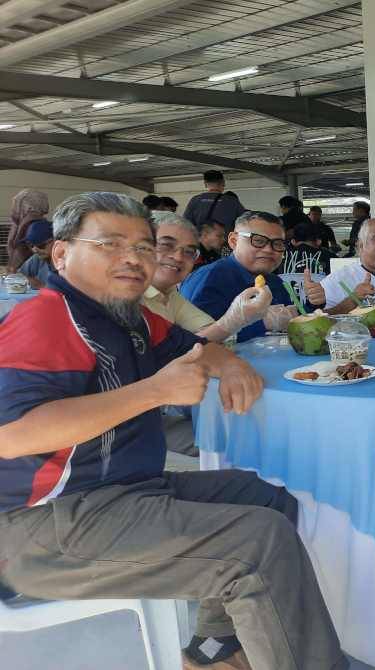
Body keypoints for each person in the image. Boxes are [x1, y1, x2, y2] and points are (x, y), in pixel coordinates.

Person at [0, 191, 347, 670]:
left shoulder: (131, 316)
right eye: (109, 244)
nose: (133, 258)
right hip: (43, 526)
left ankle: (212, 652)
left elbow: (199, 348)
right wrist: (154, 392)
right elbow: (12, 434)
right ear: (62, 253)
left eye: (144, 247)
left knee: (264, 497)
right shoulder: (44, 319)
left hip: (124, 491)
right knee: (258, 541)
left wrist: (233, 367)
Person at [145, 213, 274, 344]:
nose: (178, 257)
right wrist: (238, 319)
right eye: (166, 245)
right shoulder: (130, 298)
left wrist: (237, 320)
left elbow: (204, 334)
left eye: (189, 251)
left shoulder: (170, 295)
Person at [181, 211, 300, 342]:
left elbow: (295, 320)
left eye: (277, 244)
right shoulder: (209, 279)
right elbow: (193, 339)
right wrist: (262, 324)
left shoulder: (274, 281)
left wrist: (314, 303)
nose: (268, 250)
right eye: (258, 241)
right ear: (233, 241)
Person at [7, 189, 49, 272]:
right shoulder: (27, 225)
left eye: (17, 205)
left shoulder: (37, 228)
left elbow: (17, 263)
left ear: (29, 208)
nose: (13, 209)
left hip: (33, 280)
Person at [16, 219, 56, 289]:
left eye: (41, 245)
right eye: (31, 245)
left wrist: (41, 286)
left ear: (56, 241)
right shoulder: (38, 258)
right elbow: (18, 275)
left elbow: (70, 295)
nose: (35, 250)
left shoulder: (69, 263)